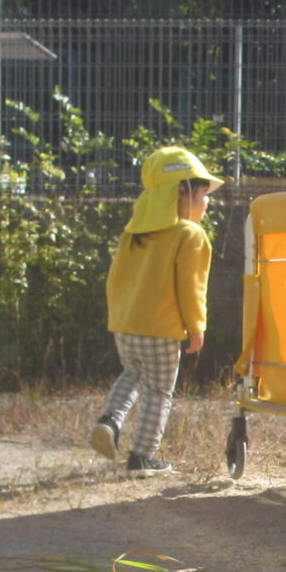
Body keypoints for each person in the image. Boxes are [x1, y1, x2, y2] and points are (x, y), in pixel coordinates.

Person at [89, 146, 222, 475]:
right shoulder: (190, 234)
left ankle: (110, 421)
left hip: (125, 326)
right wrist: (197, 327)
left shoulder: (133, 232)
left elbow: (115, 278)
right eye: (204, 193)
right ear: (182, 192)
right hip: (161, 330)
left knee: (132, 374)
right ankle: (142, 457)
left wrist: (118, 315)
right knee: (159, 392)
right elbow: (191, 287)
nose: (208, 202)